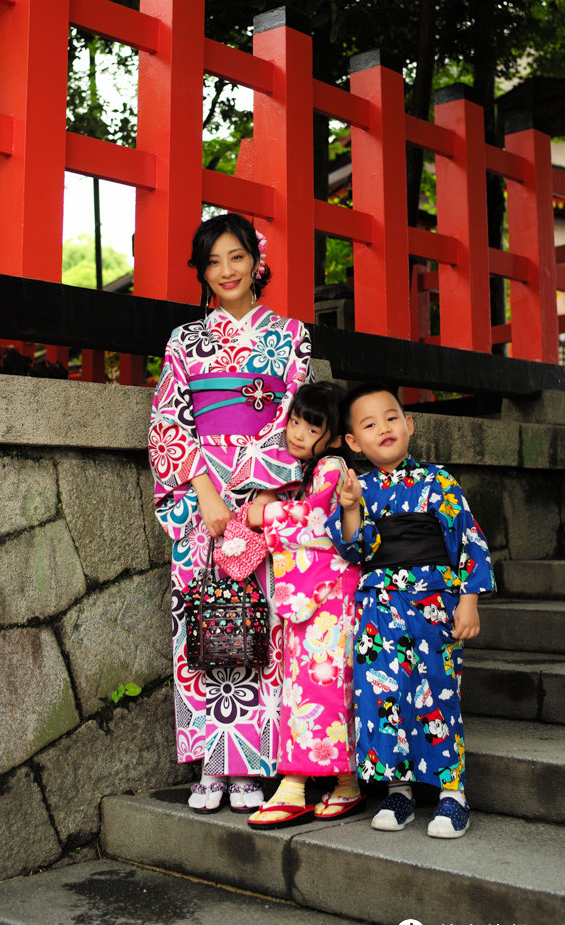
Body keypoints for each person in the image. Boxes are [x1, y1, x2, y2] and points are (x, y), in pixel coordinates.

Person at [149, 212, 313, 813]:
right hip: (201, 500)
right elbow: (168, 420)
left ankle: (250, 768)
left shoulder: (293, 335)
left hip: (266, 500)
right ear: (202, 272)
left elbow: (300, 421)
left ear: (257, 260)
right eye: (213, 262)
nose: (226, 271)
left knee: (257, 627)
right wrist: (205, 492)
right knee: (204, 625)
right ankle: (209, 767)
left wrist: (264, 495)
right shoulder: (183, 342)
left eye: (236, 257)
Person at [326, 382, 496, 839]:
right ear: (352, 442)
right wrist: (347, 509)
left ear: (409, 425)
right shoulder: (358, 489)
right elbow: (355, 547)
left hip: (433, 603)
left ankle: (452, 793)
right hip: (379, 605)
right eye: (368, 424)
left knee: (437, 693)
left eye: (391, 417)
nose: (383, 427)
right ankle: (397, 789)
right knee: (381, 697)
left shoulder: (438, 481)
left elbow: (469, 541)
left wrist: (469, 599)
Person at [243, 381, 365, 829]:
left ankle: (296, 786)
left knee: (320, 688)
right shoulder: (316, 468)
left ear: (333, 437)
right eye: (294, 421)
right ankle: (344, 782)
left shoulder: (331, 466)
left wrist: (264, 513)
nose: (296, 432)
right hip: (319, 594)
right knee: (319, 688)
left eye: (310, 426)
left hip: (328, 596)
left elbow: (313, 520)